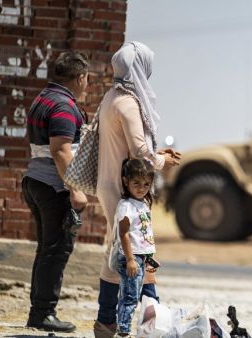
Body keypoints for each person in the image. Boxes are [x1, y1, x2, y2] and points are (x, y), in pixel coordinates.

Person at [94, 41, 180, 337]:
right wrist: (162, 160)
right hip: (125, 189)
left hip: (111, 184)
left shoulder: (112, 97)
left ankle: (109, 321)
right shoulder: (129, 103)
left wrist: (158, 151)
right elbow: (140, 152)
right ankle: (147, 322)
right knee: (133, 252)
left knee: (119, 252)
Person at [22, 51, 89, 333]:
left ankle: (39, 311)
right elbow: (61, 150)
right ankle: (43, 314)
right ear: (80, 77)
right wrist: (75, 190)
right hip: (54, 186)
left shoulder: (44, 98)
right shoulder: (63, 104)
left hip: (36, 181)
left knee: (47, 249)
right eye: (86, 80)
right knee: (56, 250)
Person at [113, 159, 159, 336]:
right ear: (126, 181)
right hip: (131, 258)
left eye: (146, 184)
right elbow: (123, 233)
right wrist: (131, 260)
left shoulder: (143, 204)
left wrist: (149, 258)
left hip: (141, 257)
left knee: (137, 294)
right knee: (130, 296)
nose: (142, 188)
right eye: (136, 183)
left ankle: (129, 328)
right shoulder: (126, 205)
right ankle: (123, 330)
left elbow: (144, 234)